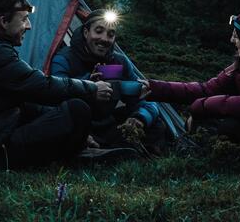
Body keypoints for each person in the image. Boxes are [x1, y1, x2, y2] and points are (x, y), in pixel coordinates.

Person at [0, 0, 118, 169]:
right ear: (3, 21)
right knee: (77, 110)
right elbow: (42, 86)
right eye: (24, 19)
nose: (29, 26)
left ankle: (80, 151)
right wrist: (92, 88)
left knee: (62, 111)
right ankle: (78, 157)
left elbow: (23, 100)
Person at [141, 8, 240, 141]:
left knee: (230, 127)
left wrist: (202, 106)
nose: (232, 40)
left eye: (237, 36)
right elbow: (207, 89)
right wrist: (154, 88)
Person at [51, 9, 163, 150]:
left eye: (110, 34)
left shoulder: (119, 61)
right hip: (78, 123)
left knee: (156, 124)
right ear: (86, 33)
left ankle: (110, 150)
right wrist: (87, 86)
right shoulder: (64, 59)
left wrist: (139, 118)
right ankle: (104, 149)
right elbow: (54, 96)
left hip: (107, 124)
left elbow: (145, 98)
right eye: (98, 31)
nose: (104, 39)